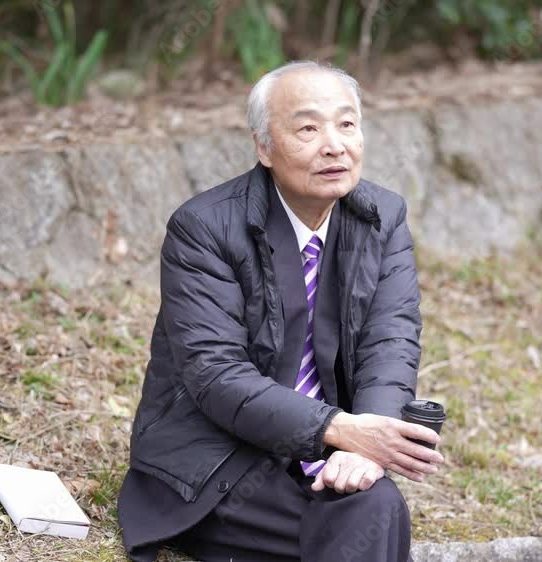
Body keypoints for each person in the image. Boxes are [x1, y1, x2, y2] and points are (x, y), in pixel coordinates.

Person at [117, 60, 444, 562]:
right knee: (357, 532)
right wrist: (341, 429)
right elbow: (216, 374)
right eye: (308, 129)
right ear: (264, 147)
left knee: (377, 506)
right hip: (220, 459)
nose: (334, 145)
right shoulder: (204, 228)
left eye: (347, 124)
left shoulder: (382, 216)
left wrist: (370, 436)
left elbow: (391, 339)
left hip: (328, 447)